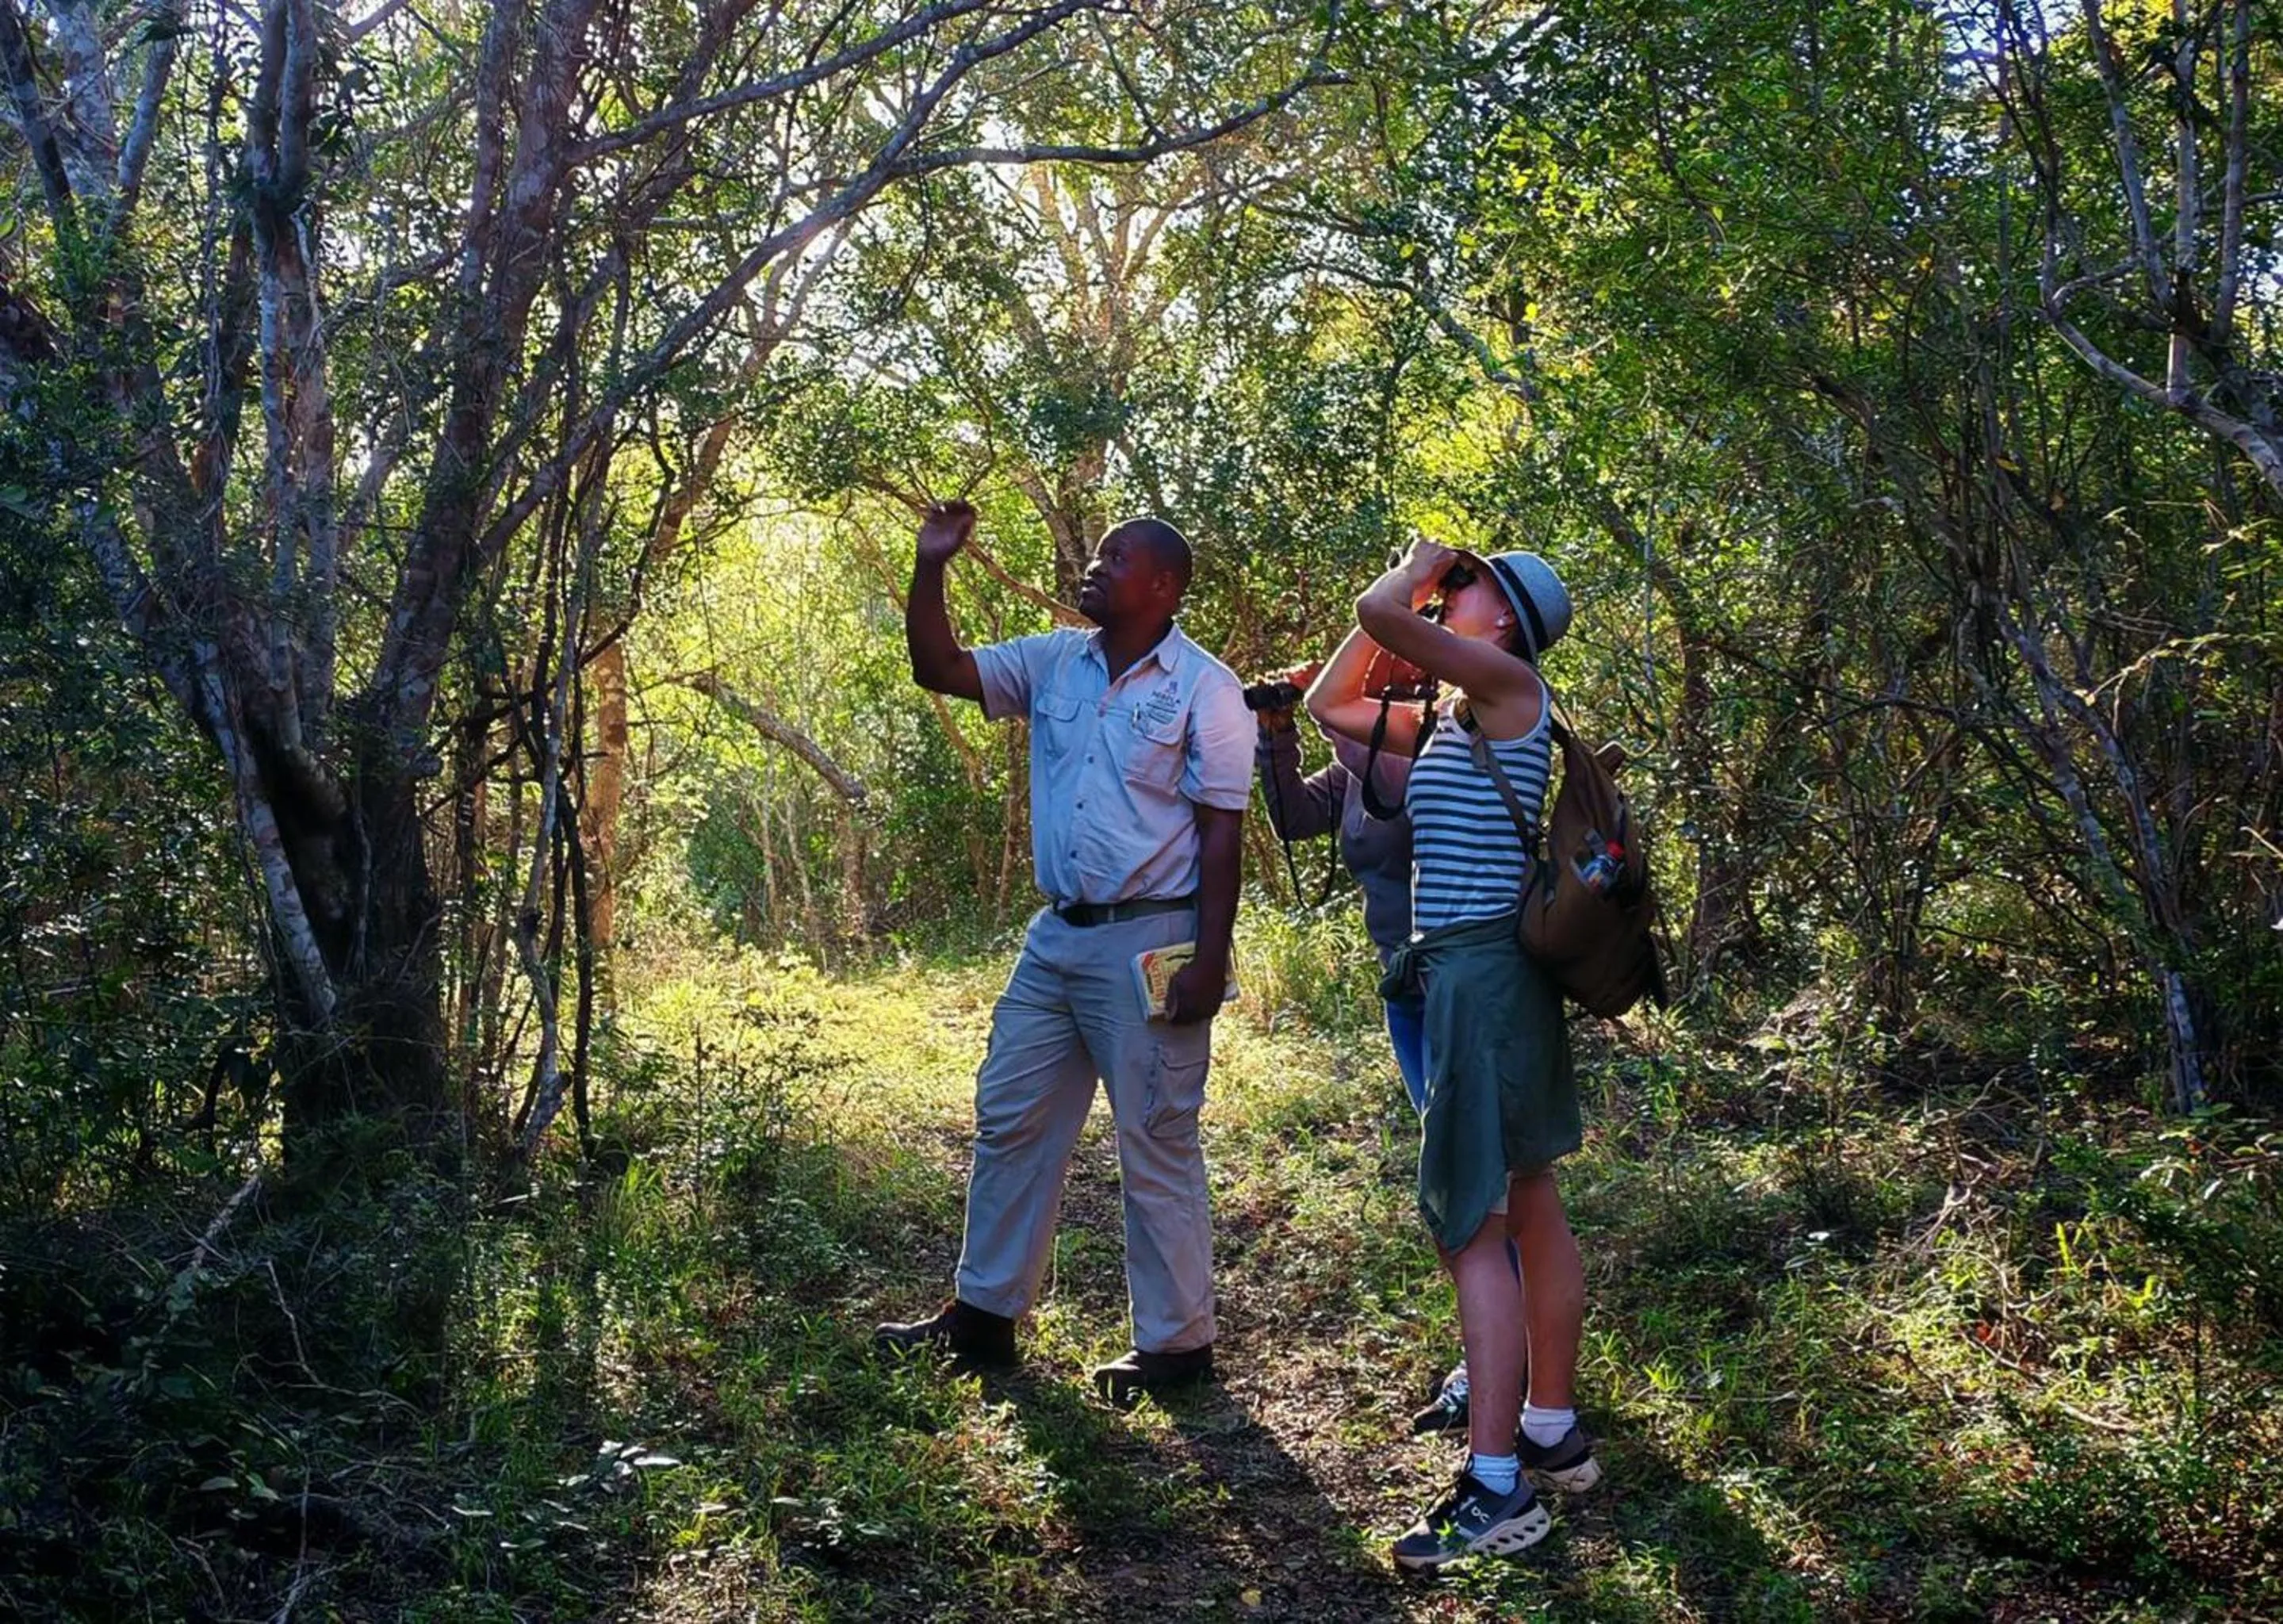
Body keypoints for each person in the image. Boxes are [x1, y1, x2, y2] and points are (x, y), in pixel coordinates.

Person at [875, 500, 1253, 1409]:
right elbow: (938, 665)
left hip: (1152, 938)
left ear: (1161, 585)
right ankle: (983, 1316)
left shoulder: (1206, 688)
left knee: (1156, 1136)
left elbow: (1220, 836)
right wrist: (931, 565)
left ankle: (1176, 1346)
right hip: (1055, 938)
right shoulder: (1052, 660)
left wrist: (1208, 955)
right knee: (1011, 1115)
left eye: (1114, 557)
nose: (1093, 564)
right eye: (1096, 552)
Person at [1306, 538, 1601, 1571]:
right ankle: (1550, 1428)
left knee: (1468, 1228)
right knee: (1526, 1203)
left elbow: (1382, 616)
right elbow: (1329, 707)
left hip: (1480, 985)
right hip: (1480, 984)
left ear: (1500, 615)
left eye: (1465, 586)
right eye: (1448, 582)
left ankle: (1493, 1488)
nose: (1446, 590)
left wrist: (1406, 569)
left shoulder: (1511, 686)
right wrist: (1410, 599)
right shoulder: (1452, 721)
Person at [1253, 668, 1504, 1438]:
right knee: (1453, 1182)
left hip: (1465, 989)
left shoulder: (1437, 745)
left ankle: (1498, 1367)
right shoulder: (1359, 763)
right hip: (1407, 993)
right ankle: (1492, 1352)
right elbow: (1296, 817)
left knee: (1480, 1183)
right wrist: (1276, 733)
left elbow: (1402, 789)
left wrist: (1329, 704)